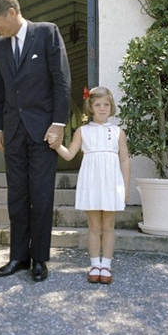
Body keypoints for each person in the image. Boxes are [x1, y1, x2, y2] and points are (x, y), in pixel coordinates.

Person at [0, 0, 71, 282]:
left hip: (43, 131)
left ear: (11, 12)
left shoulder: (47, 34)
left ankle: (40, 259)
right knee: (17, 195)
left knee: (41, 196)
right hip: (13, 132)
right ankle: (18, 256)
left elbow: (61, 81)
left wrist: (58, 123)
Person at [51, 86, 130, 284]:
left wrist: (126, 188)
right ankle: (95, 264)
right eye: (98, 105)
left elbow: (125, 160)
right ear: (91, 107)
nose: (102, 108)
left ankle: (107, 266)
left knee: (108, 226)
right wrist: (55, 145)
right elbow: (69, 154)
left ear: (111, 107)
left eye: (106, 104)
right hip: (92, 182)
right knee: (94, 226)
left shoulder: (118, 132)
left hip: (111, 182)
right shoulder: (82, 131)